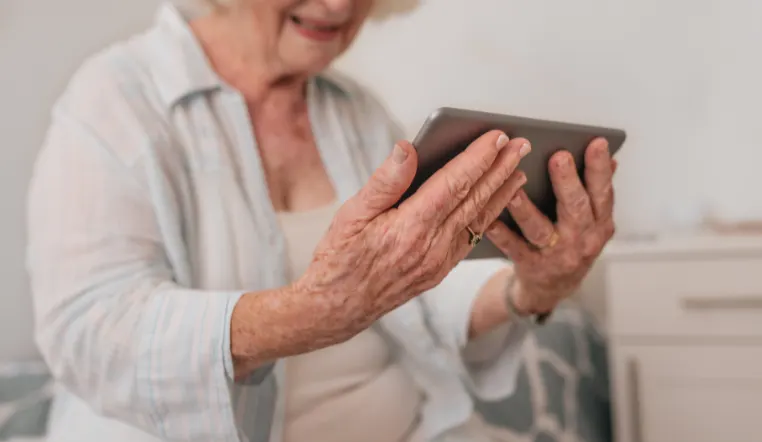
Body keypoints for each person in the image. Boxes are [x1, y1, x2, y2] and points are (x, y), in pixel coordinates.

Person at [25, 1, 618, 441]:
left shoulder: (354, 110)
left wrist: (531, 288)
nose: (337, 6)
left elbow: (424, 291)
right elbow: (88, 328)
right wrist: (313, 312)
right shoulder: (114, 98)